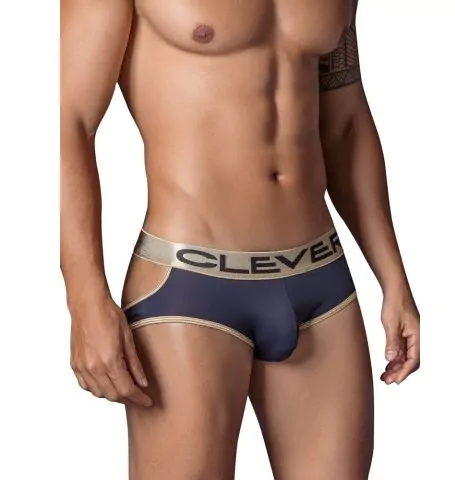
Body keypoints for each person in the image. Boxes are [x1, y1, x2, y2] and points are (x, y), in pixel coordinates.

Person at [60, 0, 420, 478]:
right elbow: (66, 121)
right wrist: (84, 297)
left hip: (321, 284)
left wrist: (393, 278)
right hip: (187, 288)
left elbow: (346, 123)